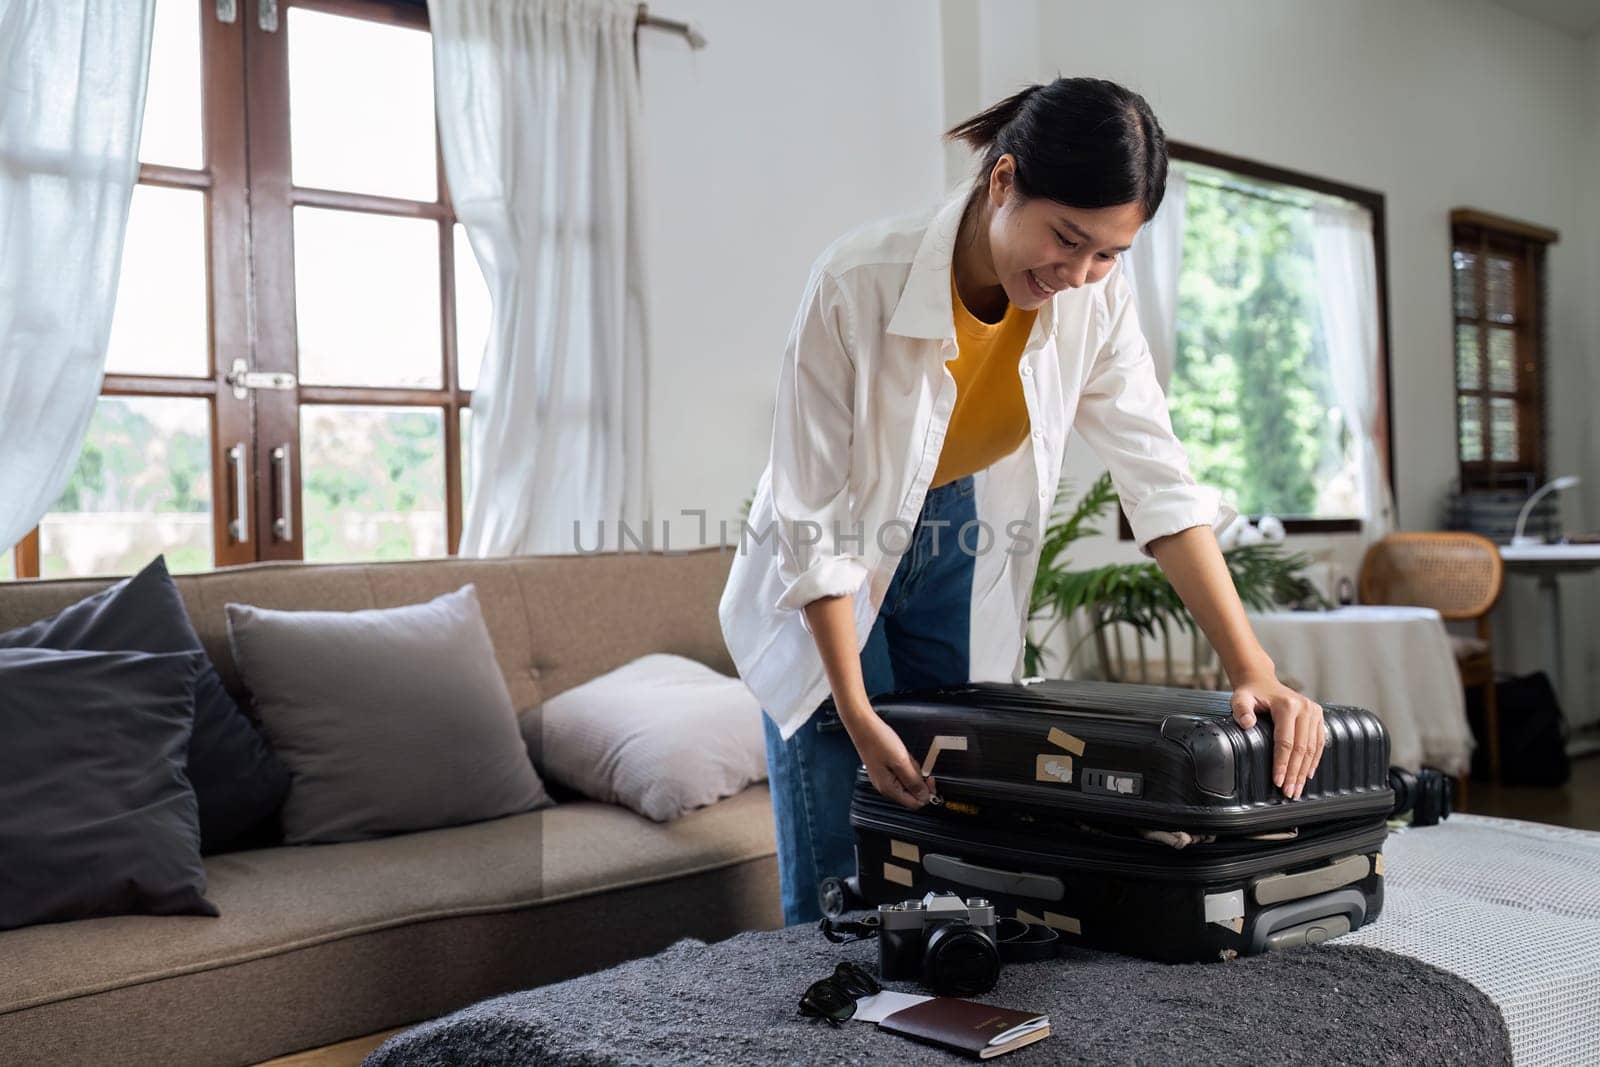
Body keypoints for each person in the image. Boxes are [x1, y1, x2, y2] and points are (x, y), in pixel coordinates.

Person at [718, 77, 1326, 927]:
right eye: (1069, 238)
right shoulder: (856, 281)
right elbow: (811, 519)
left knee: (949, 814)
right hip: (825, 552)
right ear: (1002, 181)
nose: (1078, 274)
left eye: (1110, 253)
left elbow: (1158, 478)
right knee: (842, 856)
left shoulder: (1094, 299)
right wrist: (853, 711)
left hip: (957, 526)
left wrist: (1252, 668)